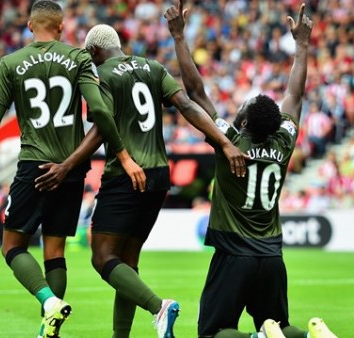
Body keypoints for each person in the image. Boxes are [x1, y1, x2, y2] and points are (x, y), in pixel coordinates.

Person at [34, 24, 247, 338]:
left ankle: (158, 306)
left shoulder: (101, 76)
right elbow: (188, 105)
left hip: (126, 176)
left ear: (93, 52)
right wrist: (225, 143)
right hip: (160, 176)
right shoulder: (153, 67)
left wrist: (66, 166)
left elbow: (99, 131)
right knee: (127, 262)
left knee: (103, 257)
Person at [0, 1, 145, 337]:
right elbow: (99, 109)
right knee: (54, 252)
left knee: (12, 247)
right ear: (61, 26)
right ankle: (49, 327)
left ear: (29, 26)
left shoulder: (11, 63)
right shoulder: (78, 57)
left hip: (34, 167)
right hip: (71, 169)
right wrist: (124, 155)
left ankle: (48, 302)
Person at [166, 2, 337, 338]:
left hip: (234, 254)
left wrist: (179, 38)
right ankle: (309, 336)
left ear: (243, 121)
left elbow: (196, 92)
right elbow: (295, 94)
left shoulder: (230, 141)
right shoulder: (284, 142)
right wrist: (301, 46)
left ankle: (259, 337)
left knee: (214, 333)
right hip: (271, 255)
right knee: (281, 327)